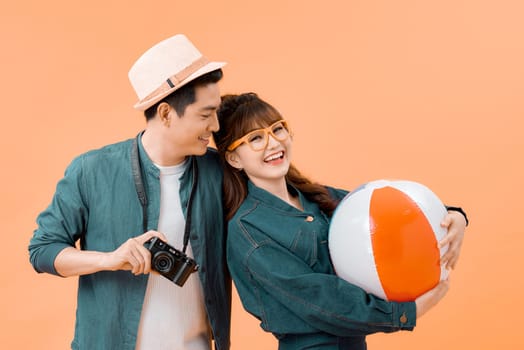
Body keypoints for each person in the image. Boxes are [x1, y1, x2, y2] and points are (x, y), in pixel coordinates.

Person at [213, 92, 469, 350]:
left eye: (278, 129)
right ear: (233, 158)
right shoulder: (247, 230)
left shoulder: (317, 197)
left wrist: (453, 216)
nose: (273, 143)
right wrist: (402, 314)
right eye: (255, 138)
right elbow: (318, 299)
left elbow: (387, 210)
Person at [28, 34, 231, 350]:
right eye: (205, 115)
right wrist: (109, 259)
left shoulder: (219, 171)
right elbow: (42, 251)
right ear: (165, 113)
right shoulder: (90, 170)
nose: (215, 126)